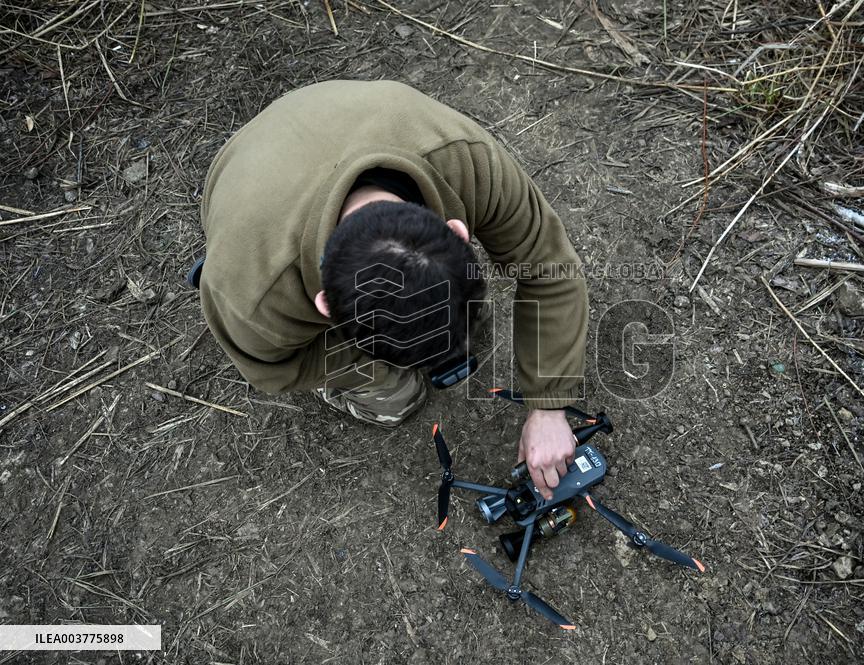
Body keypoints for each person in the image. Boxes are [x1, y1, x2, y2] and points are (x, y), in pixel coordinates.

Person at [197, 80, 588, 500]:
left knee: (461, 322)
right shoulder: (252, 295)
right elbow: (272, 369)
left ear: (457, 229)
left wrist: (549, 404)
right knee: (395, 398)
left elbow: (551, 266)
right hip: (245, 173)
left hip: (351, 114)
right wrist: (377, 364)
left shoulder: (466, 160)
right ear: (325, 308)